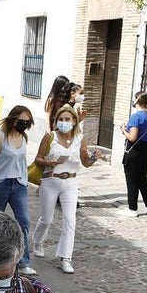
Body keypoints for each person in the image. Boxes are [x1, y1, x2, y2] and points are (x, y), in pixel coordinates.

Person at [31, 104, 99, 274]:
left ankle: (65, 258)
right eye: (60, 119)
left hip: (71, 182)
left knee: (70, 221)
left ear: (74, 121)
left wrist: (93, 159)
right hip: (50, 180)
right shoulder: (50, 137)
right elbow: (37, 159)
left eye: (67, 119)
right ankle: (38, 241)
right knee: (47, 219)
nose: (63, 122)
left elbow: (85, 162)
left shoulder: (79, 138)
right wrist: (49, 162)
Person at [0, 105, 37, 276]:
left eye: (28, 122)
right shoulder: (0, 136)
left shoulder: (23, 137)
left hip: (19, 184)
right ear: (13, 119)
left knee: (24, 222)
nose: (25, 125)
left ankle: (23, 261)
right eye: (22, 121)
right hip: (1, 183)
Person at [121, 91, 147, 217]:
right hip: (146, 148)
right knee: (142, 178)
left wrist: (123, 130)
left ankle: (132, 208)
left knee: (132, 179)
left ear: (137, 101)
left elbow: (132, 137)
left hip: (134, 150)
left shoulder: (136, 117)